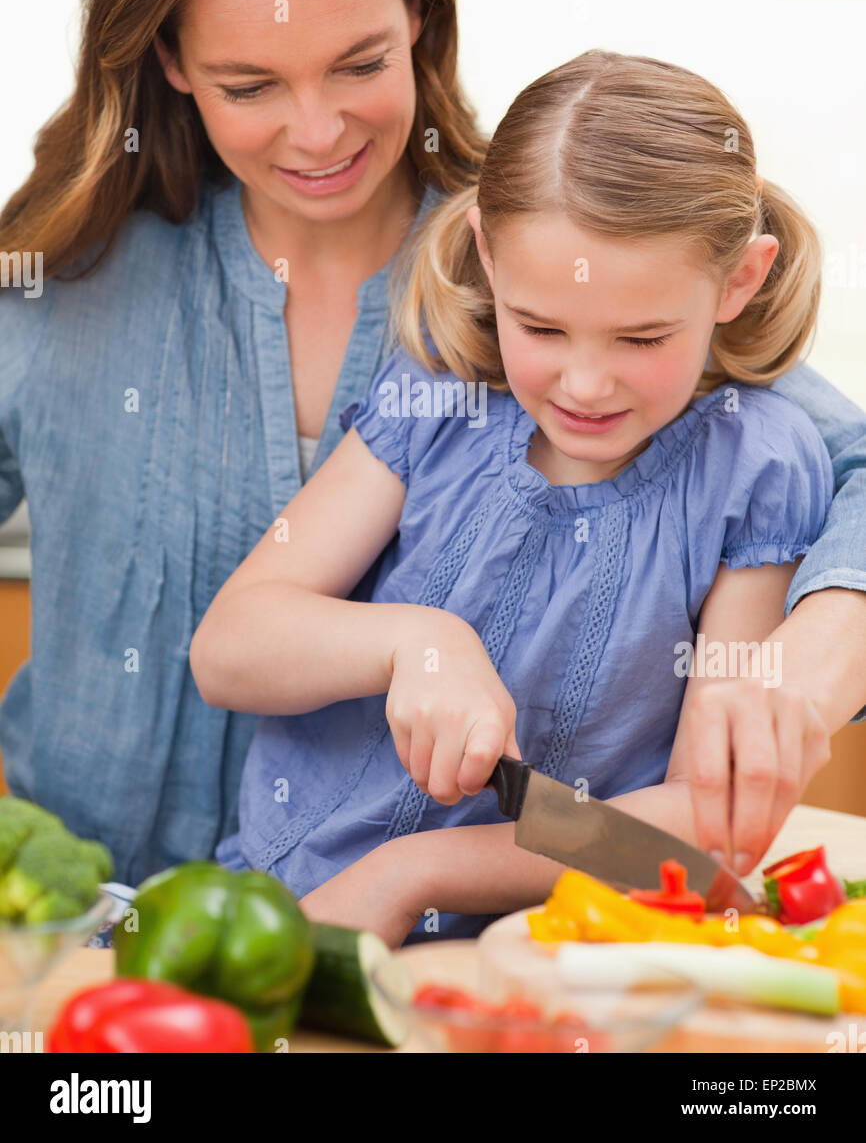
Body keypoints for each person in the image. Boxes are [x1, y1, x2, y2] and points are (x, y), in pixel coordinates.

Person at [1, 0, 865, 895]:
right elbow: (236, 646)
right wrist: (407, 641)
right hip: (71, 934)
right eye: (250, 84)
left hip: (466, 950)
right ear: (169, 60)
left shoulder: (552, 259)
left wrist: (809, 653)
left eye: (356, 61)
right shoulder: (50, 283)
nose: (315, 133)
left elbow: (839, 465)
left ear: (417, 12)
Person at [190, 50, 865, 947]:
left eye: (641, 336)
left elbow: (709, 825)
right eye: (541, 327)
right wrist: (415, 643)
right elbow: (229, 649)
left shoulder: (757, 468)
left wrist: (410, 874)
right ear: (487, 258)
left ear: (738, 281)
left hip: (542, 954)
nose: (585, 383)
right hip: (281, 907)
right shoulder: (439, 394)